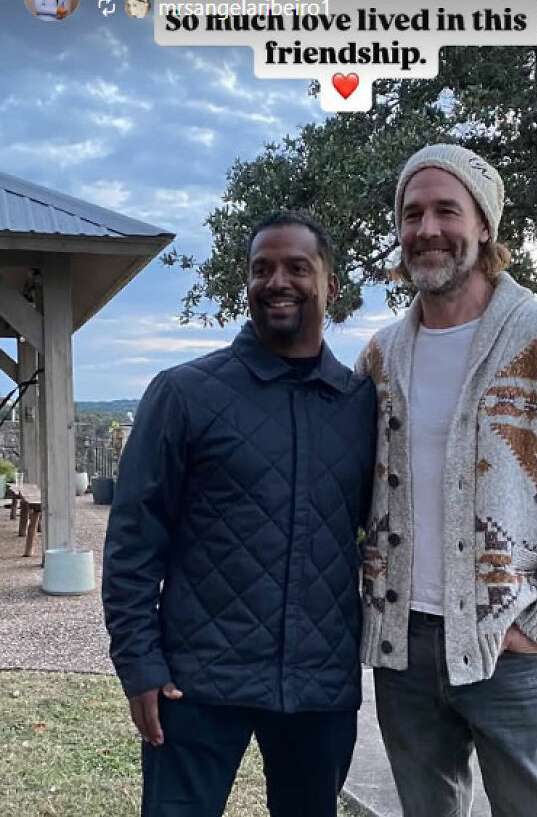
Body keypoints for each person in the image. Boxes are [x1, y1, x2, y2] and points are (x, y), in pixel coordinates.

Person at [356, 144, 537, 817]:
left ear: (484, 225)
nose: (427, 229)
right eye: (412, 212)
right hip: (403, 650)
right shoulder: (380, 356)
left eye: (446, 210)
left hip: (508, 648)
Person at [102, 211, 376, 817]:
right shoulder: (184, 394)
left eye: (297, 267)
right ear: (247, 284)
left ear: (330, 286)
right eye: (262, 269)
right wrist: (139, 662)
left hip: (319, 685)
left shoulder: (360, 405)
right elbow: (133, 540)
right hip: (197, 681)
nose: (277, 280)